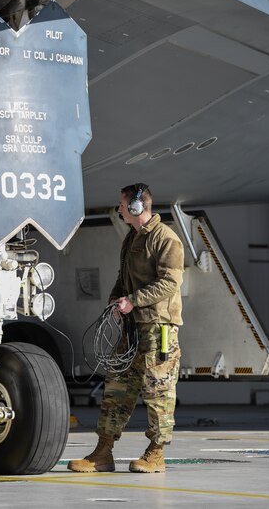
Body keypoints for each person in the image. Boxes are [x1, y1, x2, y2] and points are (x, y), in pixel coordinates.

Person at [68, 183, 184, 475]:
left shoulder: (166, 240)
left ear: (136, 207)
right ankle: (103, 452)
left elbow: (170, 283)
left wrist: (133, 301)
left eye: (122, 205)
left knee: (158, 389)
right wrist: (115, 302)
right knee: (117, 387)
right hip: (132, 328)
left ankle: (156, 453)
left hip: (158, 328)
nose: (120, 209)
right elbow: (124, 277)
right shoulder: (132, 238)